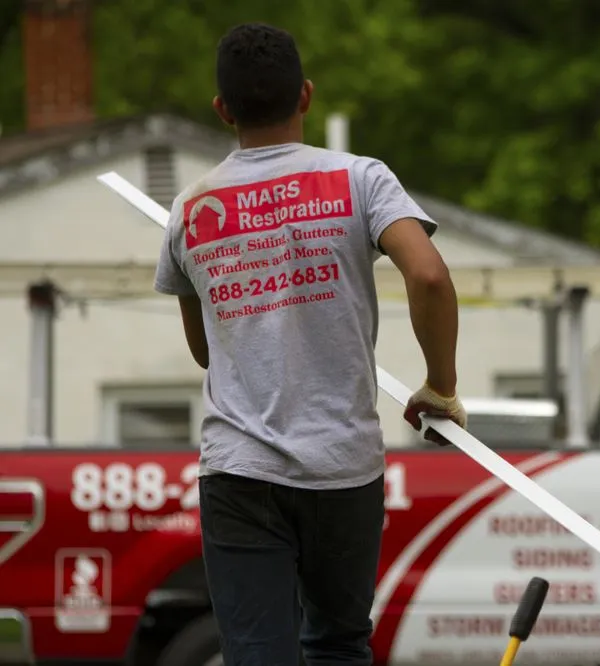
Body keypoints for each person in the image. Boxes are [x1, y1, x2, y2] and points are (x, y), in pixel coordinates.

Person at [152, 22, 467, 666]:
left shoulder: (190, 208)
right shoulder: (361, 180)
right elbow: (430, 276)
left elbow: (207, 350)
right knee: (338, 646)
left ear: (222, 110)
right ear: (306, 95)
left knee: (256, 654)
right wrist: (441, 386)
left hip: (240, 471)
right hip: (344, 468)